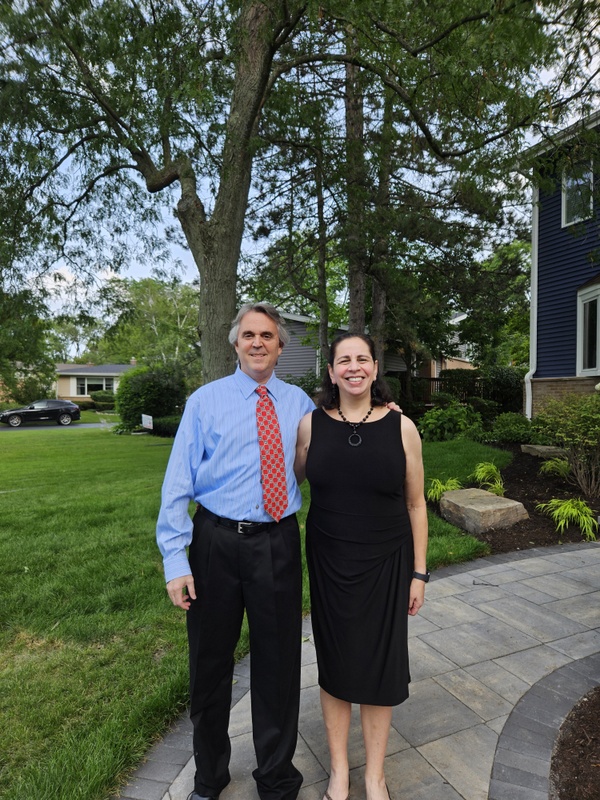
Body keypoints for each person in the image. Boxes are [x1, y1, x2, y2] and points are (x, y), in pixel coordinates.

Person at [156, 302, 315, 800]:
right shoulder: (205, 401)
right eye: (249, 335)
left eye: (267, 335)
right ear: (235, 344)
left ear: (280, 346)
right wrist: (175, 560)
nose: (258, 343)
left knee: (278, 665)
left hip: (277, 542)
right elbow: (177, 484)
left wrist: (384, 412)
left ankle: (276, 778)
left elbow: (334, 444)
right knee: (209, 665)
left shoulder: (300, 404)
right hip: (215, 544)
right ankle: (209, 778)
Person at [294, 333, 428, 800]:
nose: (354, 367)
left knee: (379, 667)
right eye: (344, 360)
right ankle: (338, 772)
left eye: (362, 359)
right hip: (329, 562)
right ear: (331, 372)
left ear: (374, 368)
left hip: (387, 563)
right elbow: (287, 483)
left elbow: (416, 505)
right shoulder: (310, 426)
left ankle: (374, 776)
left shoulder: (402, 428)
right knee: (335, 665)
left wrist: (419, 573)